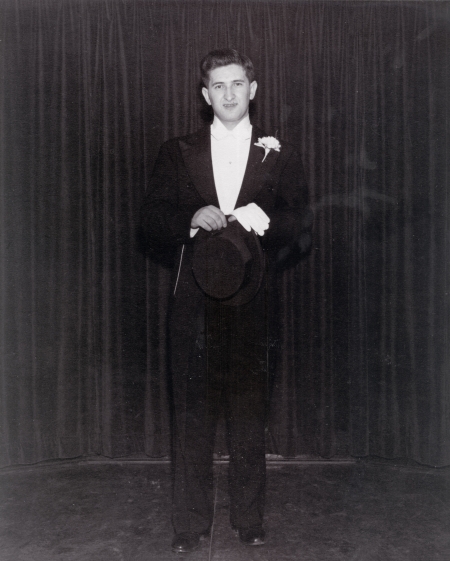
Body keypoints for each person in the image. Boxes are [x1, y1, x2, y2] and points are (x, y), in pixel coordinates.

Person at [140, 48, 311, 553]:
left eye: (237, 84)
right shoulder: (177, 151)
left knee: (247, 417)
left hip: (253, 306)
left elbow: (302, 227)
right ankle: (188, 526)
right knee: (191, 419)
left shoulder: (280, 153)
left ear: (252, 90)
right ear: (204, 95)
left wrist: (263, 220)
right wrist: (193, 215)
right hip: (193, 306)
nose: (229, 94)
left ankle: (249, 520)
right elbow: (148, 222)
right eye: (218, 86)